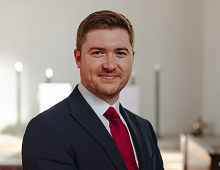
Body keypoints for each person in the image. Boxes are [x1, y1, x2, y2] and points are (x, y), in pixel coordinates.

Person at [22, 10, 164, 170]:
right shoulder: (46, 130)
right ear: (78, 58)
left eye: (120, 53)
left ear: (132, 57)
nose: (110, 65)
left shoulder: (144, 129)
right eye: (98, 53)